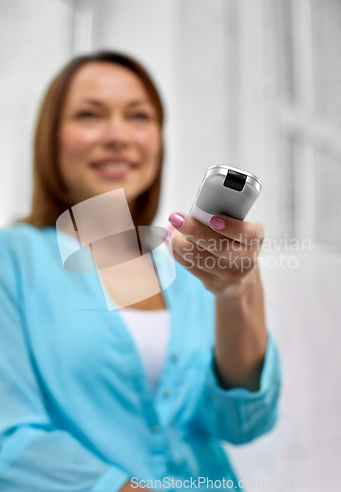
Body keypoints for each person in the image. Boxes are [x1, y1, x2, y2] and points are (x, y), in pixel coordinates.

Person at [0, 51, 281, 492]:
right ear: (50, 138)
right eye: (89, 115)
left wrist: (237, 292)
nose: (117, 136)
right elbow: (9, 440)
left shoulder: (189, 269)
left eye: (139, 117)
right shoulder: (11, 258)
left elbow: (243, 422)